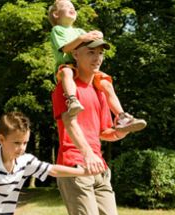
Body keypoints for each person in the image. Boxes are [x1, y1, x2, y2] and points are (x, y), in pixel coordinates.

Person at [51, 38, 127, 215]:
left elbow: (104, 131)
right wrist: (86, 153)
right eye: (90, 53)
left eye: (100, 54)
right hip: (74, 166)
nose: (97, 58)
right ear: (76, 55)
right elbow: (70, 124)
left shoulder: (98, 90)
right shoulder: (64, 88)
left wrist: (120, 132)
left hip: (99, 168)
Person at [48, 0, 147, 133]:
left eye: (73, 7)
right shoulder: (57, 30)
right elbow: (66, 48)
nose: (72, 9)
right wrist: (83, 38)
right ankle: (72, 100)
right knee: (67, 72)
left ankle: (122, 116)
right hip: (67, 65)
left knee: (106, 84)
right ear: (56, 14)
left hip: (83, 66)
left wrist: (97, 35)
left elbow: (91, 42)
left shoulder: (79, 31)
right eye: (67, 7)